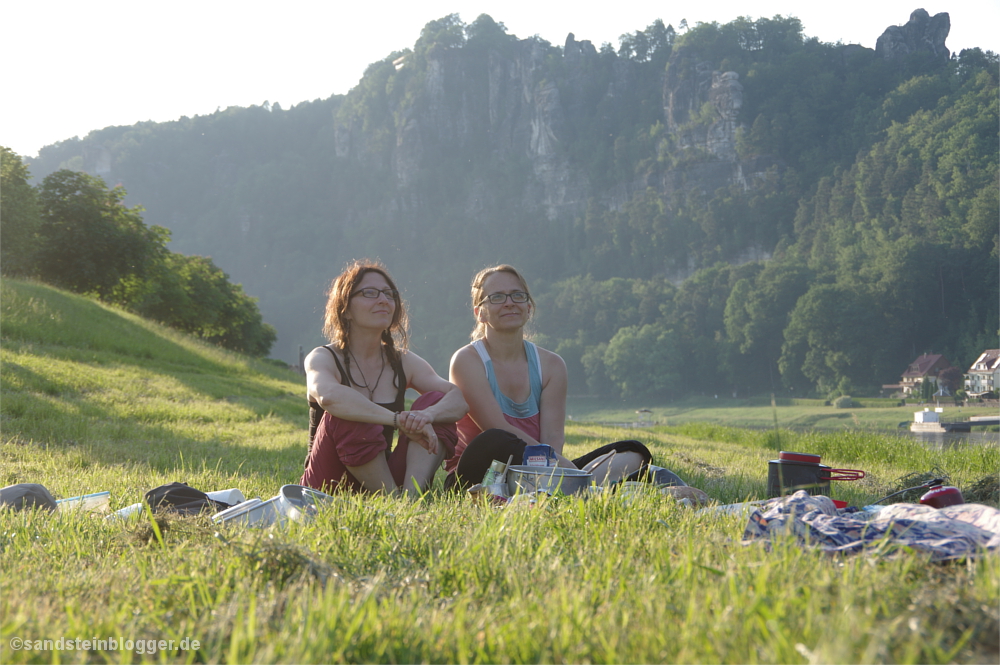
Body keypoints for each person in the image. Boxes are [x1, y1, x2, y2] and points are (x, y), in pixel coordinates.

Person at [446, 264, 685, 489]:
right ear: (480, 313)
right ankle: (584, 486)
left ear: (529, 308)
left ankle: (569, 487)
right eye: (497, 297)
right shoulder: (467, 361)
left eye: (518, 296)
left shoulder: (551, 366)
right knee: (497, 439)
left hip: (538, 473)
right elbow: (496, 427)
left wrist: (557, 471)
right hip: (480, 476)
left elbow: (551, 443)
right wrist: (570, 472)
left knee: (633, 451)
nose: (509, 303)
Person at [301, 260, 468, 496]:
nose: (383, 300)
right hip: (326, 487)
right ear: (345, 308)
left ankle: (410, 499)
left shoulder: (403, 361)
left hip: (381, 478)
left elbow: (457, 399)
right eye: (369, 293)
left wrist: (424, 417)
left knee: (435, 400)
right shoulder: (323, 357)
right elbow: (329, 397)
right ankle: (393, 500)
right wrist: (398, 420)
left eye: (389, 294)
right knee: (348, 407)